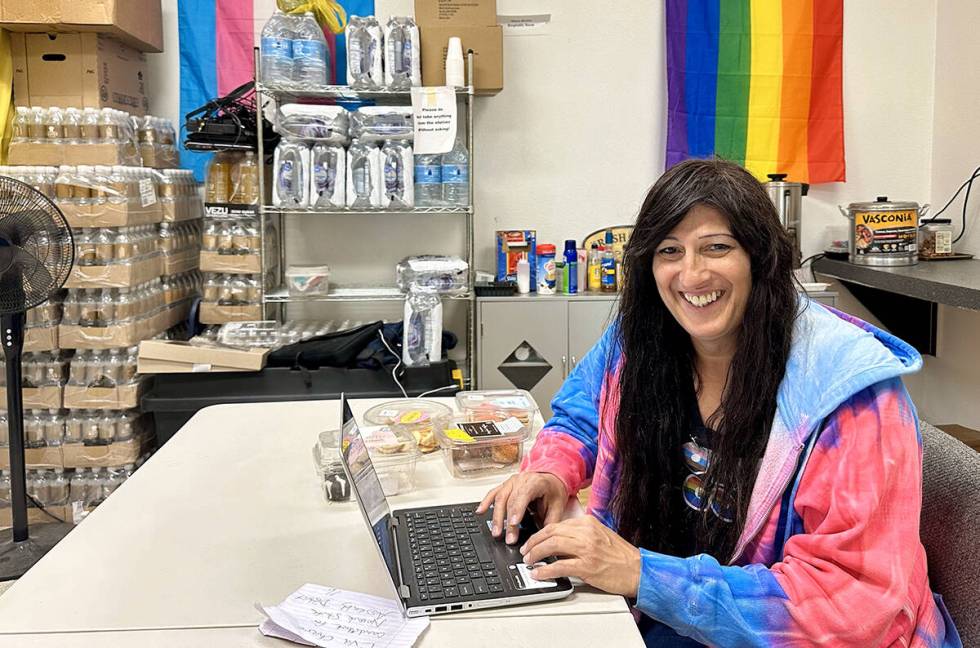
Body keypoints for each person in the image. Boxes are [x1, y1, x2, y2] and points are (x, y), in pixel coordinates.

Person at [477, 159, 961, 647]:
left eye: (716, 247)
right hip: (655, 615)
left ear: (760, 256)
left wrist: (642, 574)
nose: (691, 275)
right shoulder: (641, 339)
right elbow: (582, 417)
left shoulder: (853, 396)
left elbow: (849, 604)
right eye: (670, 251)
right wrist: (551, 473)